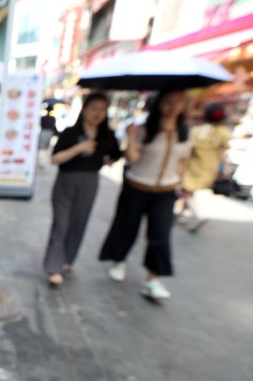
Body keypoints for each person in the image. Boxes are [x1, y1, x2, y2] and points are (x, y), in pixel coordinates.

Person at [99, 89, 192, 300]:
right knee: (126, 226)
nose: (173, 106)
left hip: (165, 191)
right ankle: (118, 260)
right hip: (137, 186)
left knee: (160, 234)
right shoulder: (145, 129)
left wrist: (180, 181)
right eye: (169, 101)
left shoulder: (184, 132)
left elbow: (184, 159)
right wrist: (132, 136)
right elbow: (132, 157)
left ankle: (153, 279)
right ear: (160, 104)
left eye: (178, 102)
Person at [44, 92, 121, 286]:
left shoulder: (107, 136)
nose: (98, 113)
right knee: (61, 224)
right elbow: (54, 159)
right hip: (66, 180)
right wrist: (80, 148)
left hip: (90, 182)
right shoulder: (70, 133)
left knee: (79, 222)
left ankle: (66, 260)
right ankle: (53, 266)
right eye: (94, 108)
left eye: (102, 110)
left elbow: (116, 155)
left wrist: (107, 160)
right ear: (85, 110)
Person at [180, 103, 231, 232]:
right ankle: (186, 214)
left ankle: (197, 214)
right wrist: (226, 166)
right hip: (211, 167)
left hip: (194, 165)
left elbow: (188, 149)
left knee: (187, 190)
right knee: (191, 191)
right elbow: (223, 151)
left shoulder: (197, 131)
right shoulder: (223, 132)